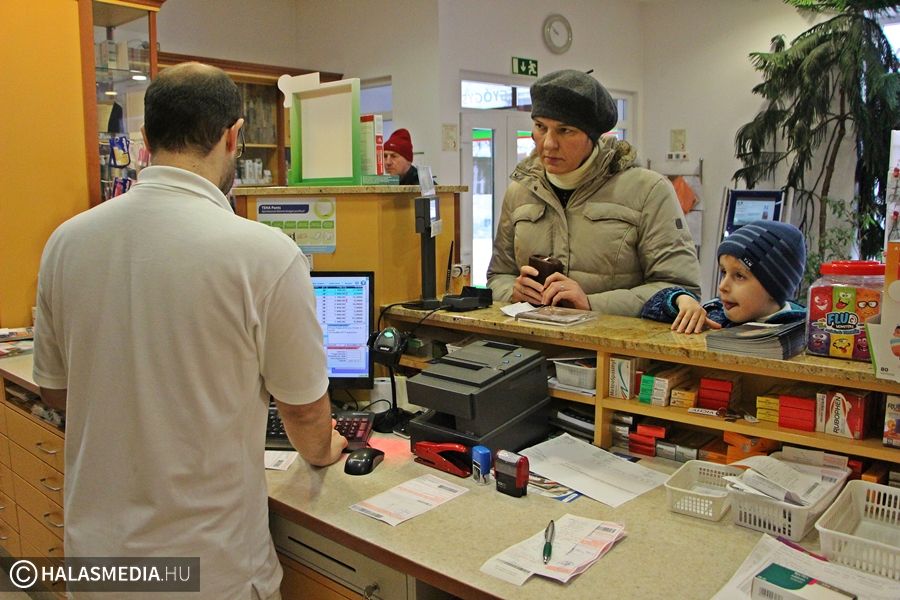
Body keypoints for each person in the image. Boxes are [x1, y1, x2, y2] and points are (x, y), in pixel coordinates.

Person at [32, 62, 347, 600]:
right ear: (234, 135)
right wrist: (327, 450)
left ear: (147, 139)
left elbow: (56, 391)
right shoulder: (265, 255)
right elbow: (303, 411)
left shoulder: (67, 242)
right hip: (210, 568)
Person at [486, 69, 700, 315]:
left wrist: (591, 303)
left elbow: (681, 290)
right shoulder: (519, 192)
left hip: (610, 351)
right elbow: (498, 275)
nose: (548, 143)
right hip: (531, 348)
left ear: (593, 136)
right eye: (540, 127)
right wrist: (512, 291)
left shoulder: (648, 191)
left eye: (565, 130)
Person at [641, 220, 807, 333]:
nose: (722, 286)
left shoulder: (802, 332)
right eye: (723, 272)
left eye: (739, 276)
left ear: (774, 287)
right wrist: (680, 299)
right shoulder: (714, 314)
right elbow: (649, 310)